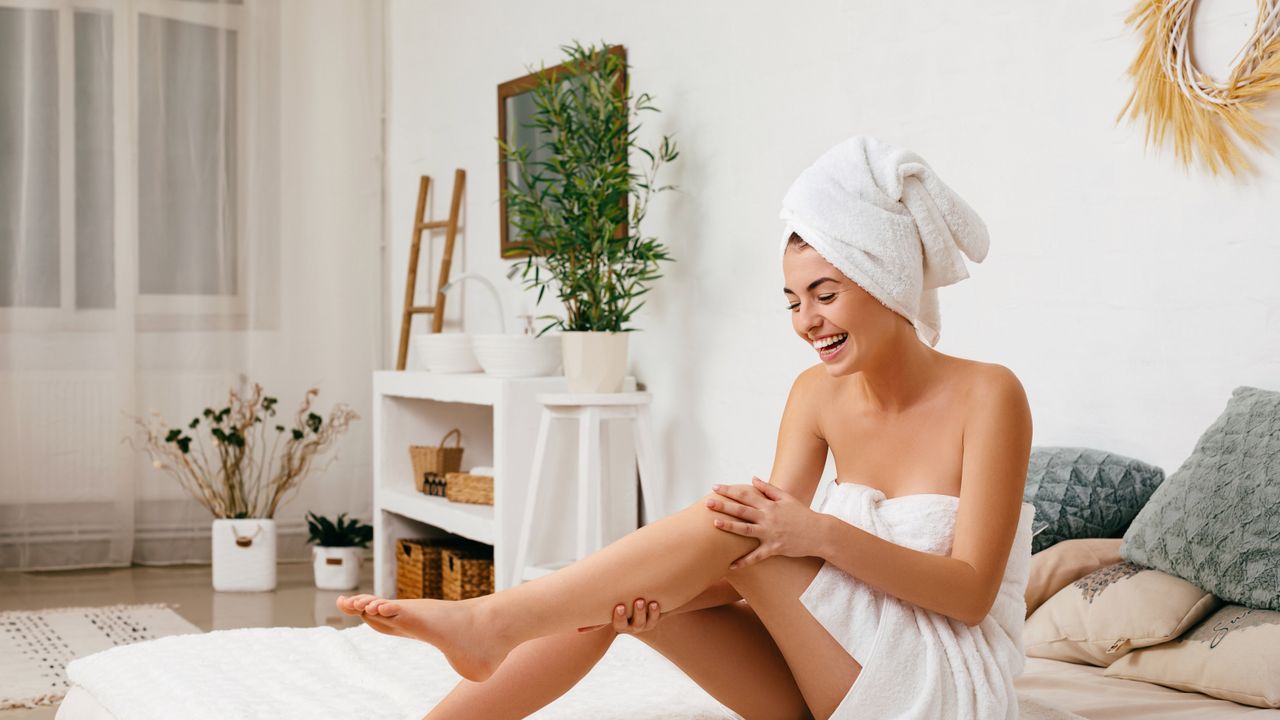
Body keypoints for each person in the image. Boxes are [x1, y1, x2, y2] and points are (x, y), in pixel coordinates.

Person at [338, 136, 1035, 719]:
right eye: (793, 302)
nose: (807, 321)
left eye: (826, 294)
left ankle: (494, 620)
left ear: (887, 281)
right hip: (829, 672)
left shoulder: (989, 395)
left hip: (936, 683)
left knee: (737, 521)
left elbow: (971, 595)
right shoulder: (815, 396)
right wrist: (661, 599)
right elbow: (752, 562)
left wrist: (819, 531)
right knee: (628, 592)